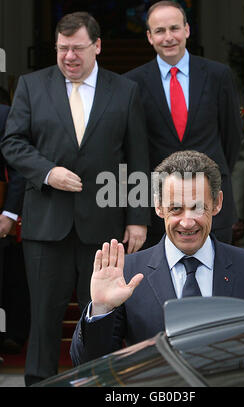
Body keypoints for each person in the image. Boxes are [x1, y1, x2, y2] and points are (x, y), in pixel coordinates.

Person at [1, 12, 150, 385]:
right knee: (44, 317)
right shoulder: (32, 86)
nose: (69, 56)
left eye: (77, 48)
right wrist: (47, 172)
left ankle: (100, 384)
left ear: (97, 46)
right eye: (62, 49)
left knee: (101, 315)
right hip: (45, 226)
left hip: (105, 226)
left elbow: (137, 158)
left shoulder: (125, 90)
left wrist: (137, 217)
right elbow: (12, 143)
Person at [70, 150, 244, 366]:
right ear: (159, 207)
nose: (187, 222)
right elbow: (88, 363)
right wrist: (101, 309)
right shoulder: (128, 273)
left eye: (197, 207)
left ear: (217, 203)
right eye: (176, 209)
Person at [125, 1, 242, 246]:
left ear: (187, 30)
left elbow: (232, 139)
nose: (168, 37)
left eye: (174, 28)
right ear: (149, 36)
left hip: (211, 207)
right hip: (162, 210)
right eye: (160, 31)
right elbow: (133, 148)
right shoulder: (132, 84)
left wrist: (213, 176)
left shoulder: (218, 75)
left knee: (219, 278)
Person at [0, 103, 27, 361]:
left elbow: (18, 167)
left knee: (10, 279)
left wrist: (9, 213)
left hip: (3, 217)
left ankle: (13, 334)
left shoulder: (4, 114)